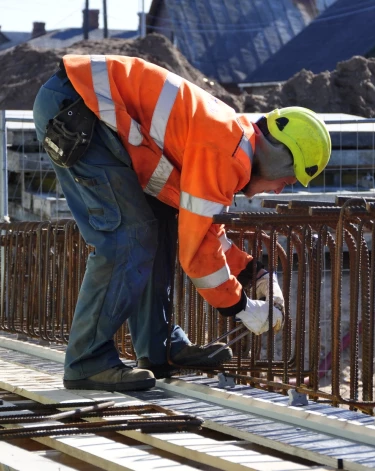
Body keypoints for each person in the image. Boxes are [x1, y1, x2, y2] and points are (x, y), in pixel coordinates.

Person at [32, 55, 331, 392]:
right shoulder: (227, 151)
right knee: (127, 237)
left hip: (93, 109)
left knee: (157, 229)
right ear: (280, 158)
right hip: (79, 106)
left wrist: (253, 273)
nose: (281, 188)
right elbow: (197, 254)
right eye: (288, 180)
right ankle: (87, 362)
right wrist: (241, 307)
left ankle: (159, 350)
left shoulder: (231, 142)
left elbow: (203, 229)